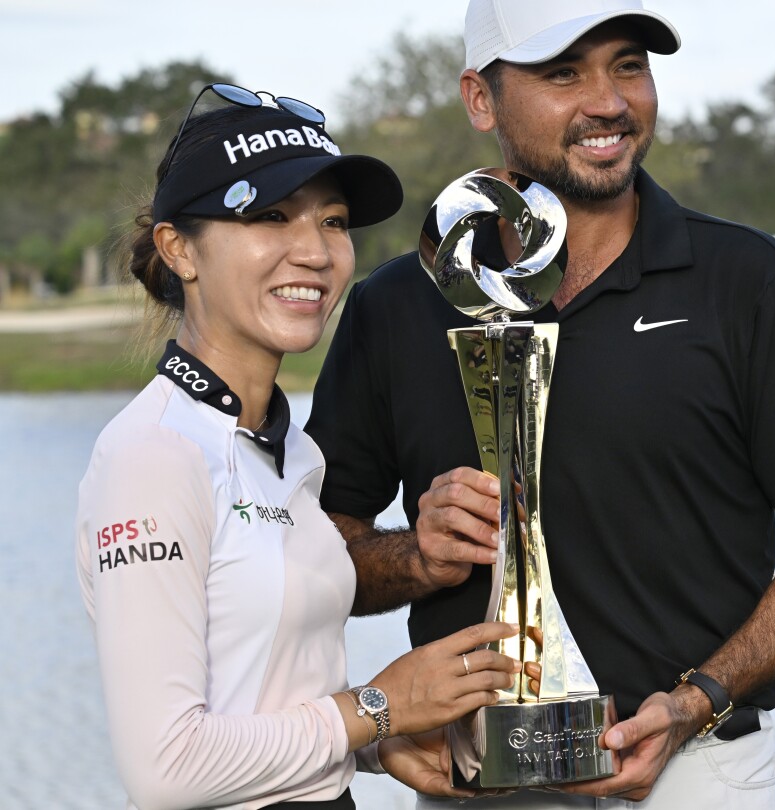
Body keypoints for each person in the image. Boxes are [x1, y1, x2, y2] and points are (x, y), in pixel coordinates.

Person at [305, 1, 775, 806]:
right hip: (476, 779)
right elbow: (316, 558)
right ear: (480, 99)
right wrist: (417, 556)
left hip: (700, 775)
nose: (609, 102)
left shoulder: (747, 280)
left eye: (628, 65)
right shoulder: (397, 305)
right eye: (562, 73)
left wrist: (698, 701)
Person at [74, 84, 523, 810]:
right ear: (179, 249)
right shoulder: (153, 454)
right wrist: (379, 707)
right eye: (270, 217)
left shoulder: (292, 453)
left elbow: (270, 692)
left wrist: (381, 740)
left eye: (333, 221)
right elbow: (165, 768)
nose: (314, 252)